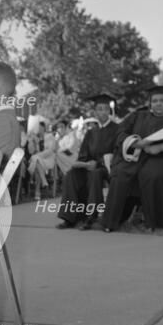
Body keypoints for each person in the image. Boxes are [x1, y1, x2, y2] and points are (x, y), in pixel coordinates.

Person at [102, 85, 163, 231]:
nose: (158, 103)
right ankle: (112, 221)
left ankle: (157, 222)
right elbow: (120, 132)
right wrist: (135, 142)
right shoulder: (137, 116)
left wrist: (159, 148)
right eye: (155, 101)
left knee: (155, 175)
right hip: (136, 157)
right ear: (150, 103)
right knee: (121, 174)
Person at [56, 95, 118, 230]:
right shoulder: (91, 132)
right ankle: (70, 218)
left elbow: (117, 152)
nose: (102, 112)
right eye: (99, 109)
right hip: (90, 166)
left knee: (95, 174)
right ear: (95, 112)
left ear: (109, 111)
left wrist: (99, 162)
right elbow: (83, 154)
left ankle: (91, 216)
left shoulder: (117, 129)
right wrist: (84, 163)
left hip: (107, 168)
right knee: (71, 175)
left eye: (106, 109)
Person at [28, 121, 56, 199]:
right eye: (37, 128)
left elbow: (51, 150)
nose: (39, 129)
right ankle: (43, 183)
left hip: (48, 159)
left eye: (40, 127)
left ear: (43, 128)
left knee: (35, 159)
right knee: (36, 161)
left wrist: (38, 155)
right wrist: (31, 140)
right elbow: (31, 151)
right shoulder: (35, 138)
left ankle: (38, 191)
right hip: (38, 161)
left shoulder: (49, 136)